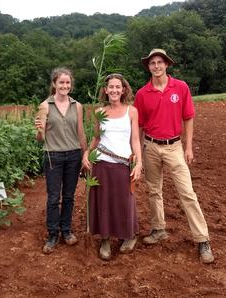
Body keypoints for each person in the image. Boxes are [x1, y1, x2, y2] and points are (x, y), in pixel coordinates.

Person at [134, 49, 215, 264]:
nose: (157, 66)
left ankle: (202, 239)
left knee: (187, 192)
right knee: (153, 190)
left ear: (167, 65)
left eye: (160, 62)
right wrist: (138, 155)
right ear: (148, 66)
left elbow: (188, 117)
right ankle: (158, 228)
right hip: (150, 146)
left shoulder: (180, 87)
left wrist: (188, 148)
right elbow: (139, 126)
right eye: (153, 63)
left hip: (174, 146)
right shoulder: (142, 94)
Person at [82, 73, 142, 261]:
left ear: (123, 90)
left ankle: (129, 236)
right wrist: (86, 153)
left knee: (125, 201)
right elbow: (97, 138)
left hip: (123, 164)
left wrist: (139, 163)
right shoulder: (100, 112)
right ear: (105, 90)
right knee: (104, 202)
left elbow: (135, 140)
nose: (114, 90)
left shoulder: (132, 111)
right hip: (101, 163)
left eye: (118, 87)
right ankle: (105, 240)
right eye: (111, 87)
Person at [35, 67, 87, 254]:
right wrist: (40, 129)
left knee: (69, 196)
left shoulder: (77, 106)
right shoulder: (45, 106)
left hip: (73, 155)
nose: (65, 85)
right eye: (61, 82)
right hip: (53, 156)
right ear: (54, 84)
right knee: (53, 197)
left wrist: (85, 154)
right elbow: (39, 138)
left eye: (67, 82)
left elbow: (80, 132)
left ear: (70, 84)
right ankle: (52, 234)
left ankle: (66, 230)